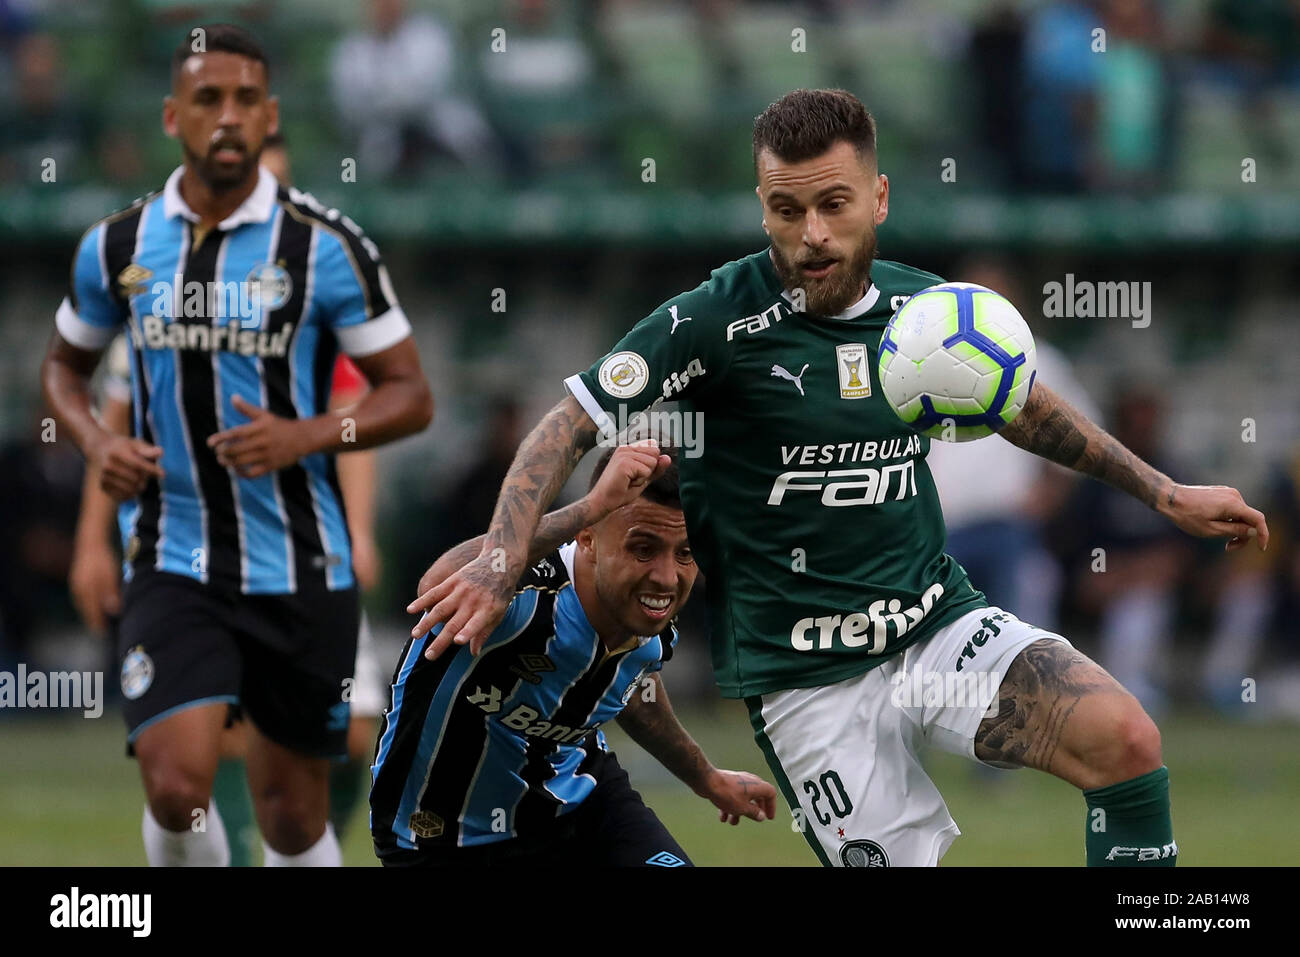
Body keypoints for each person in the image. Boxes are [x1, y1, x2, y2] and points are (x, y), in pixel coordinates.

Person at [408, 89, 1269, 867]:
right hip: (807, 684)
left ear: (880, 198)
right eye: (787, 209)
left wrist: (1165, 493)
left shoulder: (928, 315)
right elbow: (566, 424)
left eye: (833, 204)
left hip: (935, 627)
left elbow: (1025, 407)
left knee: (1125, 738)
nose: (812, 232)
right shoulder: (710, 321)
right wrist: (497, 559)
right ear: (763, 207)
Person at [41, 23, 433, 867]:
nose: (228, 116)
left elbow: (411, 396)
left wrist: (307, 434)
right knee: (175, 785)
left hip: (300, 564)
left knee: (292, 815)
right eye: (208, 98)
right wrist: (88, 443)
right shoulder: (116, 246)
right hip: (171, 554)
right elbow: (65, 372)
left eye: (247, 99)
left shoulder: (328, 248)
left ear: (270, 116)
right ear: (171, 116)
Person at [374, 442, 776, 866]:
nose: (666, 577)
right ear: (587, 538)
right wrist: (590, 506)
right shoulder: (522, 590)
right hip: (440, 836)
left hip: (581, 805)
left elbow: (632, 687)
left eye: (685, 552)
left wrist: (707, 778)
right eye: (643, 549)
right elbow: (437, 584)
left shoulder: (649, 611)